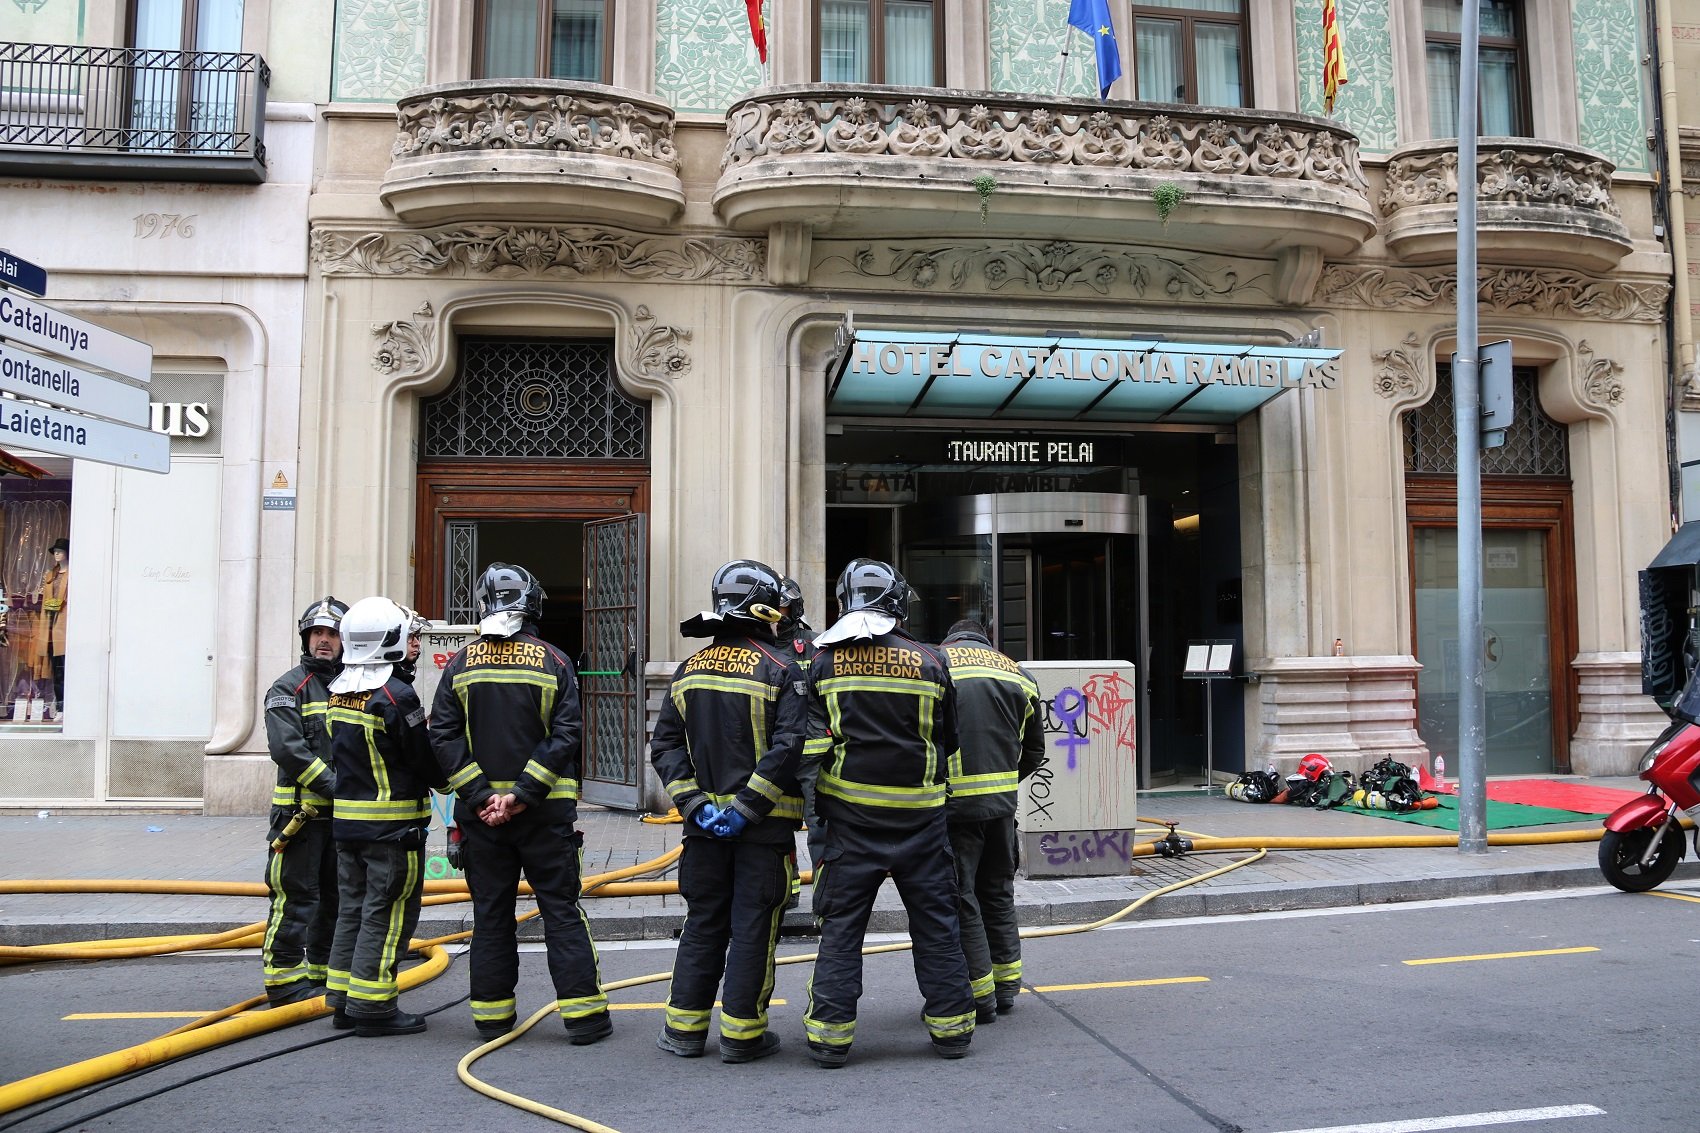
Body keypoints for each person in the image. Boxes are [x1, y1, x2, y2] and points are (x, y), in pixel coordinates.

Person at [801, 558, 974, 1067]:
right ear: (897, 603)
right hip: (923, 823)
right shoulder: (932, 662)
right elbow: (949, 742)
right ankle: (952, 1031)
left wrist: (818, 822)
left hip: (851, 827)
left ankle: (831, 1038)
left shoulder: (822, 663)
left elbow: (810, 752)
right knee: (937, 927)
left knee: (841, 931)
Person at [429, 563, 612, 1044]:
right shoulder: (554, 661)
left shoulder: (460, 664)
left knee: (491, 916)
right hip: (545, 816)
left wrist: (484, 797)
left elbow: (442, 737)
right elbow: (567, 734)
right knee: (561, 911)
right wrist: (523, 795)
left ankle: (491, 1018)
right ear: (534, 605)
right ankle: (585, 1018)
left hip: (480, 820)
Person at [651, 559, 807, 1064]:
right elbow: (789, 749)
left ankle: (684, 1031)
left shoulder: (688, 670)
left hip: (702, 833)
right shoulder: (782, 670)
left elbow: (665, 747)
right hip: (763, 832)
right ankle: (743, 1036)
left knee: (703, 925)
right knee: (753, 929)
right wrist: (746, 808)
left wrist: (694, 805)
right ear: (764, 609)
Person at [322, 596, 445, 1036]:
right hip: (392, 830)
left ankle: (341, 1000)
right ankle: (373, 1008)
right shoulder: (395, 694)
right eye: (406, 635)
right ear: (389, 642)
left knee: (352, 910)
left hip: (348, 827)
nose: (412, 642)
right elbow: (421, 759)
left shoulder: (339, 691)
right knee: (387, 914)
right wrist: (455, 784)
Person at [939, 618, 1046, 1021]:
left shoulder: (938, 663)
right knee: (998, 893)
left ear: (952, 638)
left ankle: (978, 996)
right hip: (1002, 809)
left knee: (961, 897)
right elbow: (1034, 753)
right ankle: (1005, 990)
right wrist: (1002, 783)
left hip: (953, 809)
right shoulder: (1018, 672)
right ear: (986, 640)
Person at [259, 595, 347, 1006]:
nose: (324, 641)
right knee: (295, 897)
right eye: (317, 633)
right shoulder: (287, 687)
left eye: (331, 633)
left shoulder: (351, 685)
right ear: (305, 638)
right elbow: (288, 750)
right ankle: (283, 980)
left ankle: (321, 972)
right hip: (301, 816)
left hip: (340, 819)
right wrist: (335, 787)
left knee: (334, 897)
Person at [775, 576, 819, 911]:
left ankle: (827, 898)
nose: (777, 611)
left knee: (821, 829)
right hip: (775, 753)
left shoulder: (817, 645)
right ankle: (786, 890)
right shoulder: (757, 646)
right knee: (777, 826)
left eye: (783, 604)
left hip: (815, 755)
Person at [38, 537, 67, 719]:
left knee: (66, 668)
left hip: (65, 626)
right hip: (51, 625)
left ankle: (66, 707)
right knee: (57, 669)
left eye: (60, 550)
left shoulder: (73, 574)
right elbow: (46, 602)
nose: (56, 553)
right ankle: (60, 706)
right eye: (55, 551)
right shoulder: (51, 575)